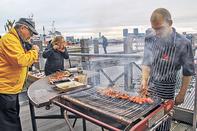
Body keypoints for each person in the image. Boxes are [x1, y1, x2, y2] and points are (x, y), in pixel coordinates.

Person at [141, 8, 195, 131]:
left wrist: (182, 94)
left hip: (168, 88)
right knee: (146, 121)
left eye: (160, 28)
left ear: (170, 23)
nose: (156, 32)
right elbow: (146, 63)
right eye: (154, 29)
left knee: (163, 121)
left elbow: (188, 72)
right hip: (150, 86)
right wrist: (144, 81)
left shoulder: (183, 43)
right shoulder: (150, 38)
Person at [0, 18, 39, 131]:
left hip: (11, 88)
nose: (30, 36)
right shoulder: (10, 40)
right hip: (5, 89)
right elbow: (21, 61)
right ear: (23, 28)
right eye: (30, 33)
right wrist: (34, 51)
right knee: (9, 123)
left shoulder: (15, 40)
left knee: (11, 119)